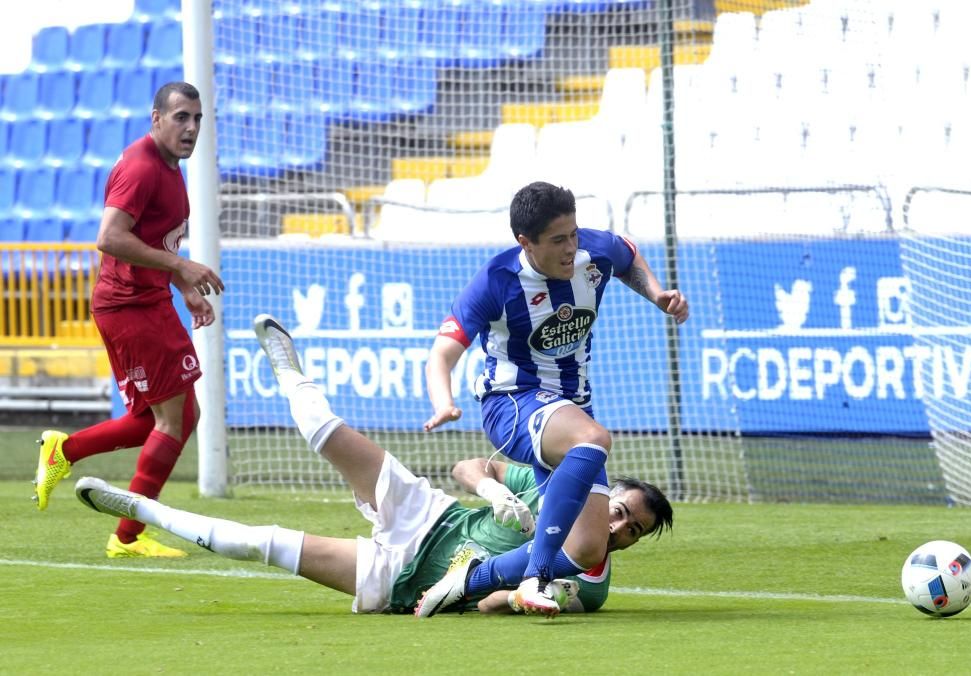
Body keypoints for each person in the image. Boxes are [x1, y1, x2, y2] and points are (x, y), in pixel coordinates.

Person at [74, 314, 674, 615]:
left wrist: (513, 593)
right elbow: (471, 466)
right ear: (607, 491)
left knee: (265, 544)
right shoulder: (558, 486)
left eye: (633, 531)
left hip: (403, 579)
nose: (619, 530)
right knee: (328, 433)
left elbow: (503, 604)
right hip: (431, 515)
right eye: (621, 512)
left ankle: (140, 507)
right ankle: (291, 370)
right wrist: (495, 495)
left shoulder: (590, 582)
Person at [421, 181, 687, 615]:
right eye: (558, 240)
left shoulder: (592, 252)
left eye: (574, 234)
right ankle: (534, 578)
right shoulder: (496, 280)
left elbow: (629, 256)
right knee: (594, 439)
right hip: (512, 402)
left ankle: (470, 580)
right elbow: (442, 353)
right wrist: (442, 402)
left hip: (570, 408)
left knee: (585, 547)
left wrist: (657, 295)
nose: (571, 248)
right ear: (525, 242)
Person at [32, 82, 224, 558]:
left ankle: (65, 451)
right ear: (156, 117)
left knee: (164, 419)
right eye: (181, 117)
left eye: (197, 118)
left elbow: (155, 241)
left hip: (145, 300)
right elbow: (110, 236)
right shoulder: (141, 168)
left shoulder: (167, 166)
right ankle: (126, 538)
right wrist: (181, 269)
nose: (191, 127)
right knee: (174, 419)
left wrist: (182, 287)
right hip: (129, 306)